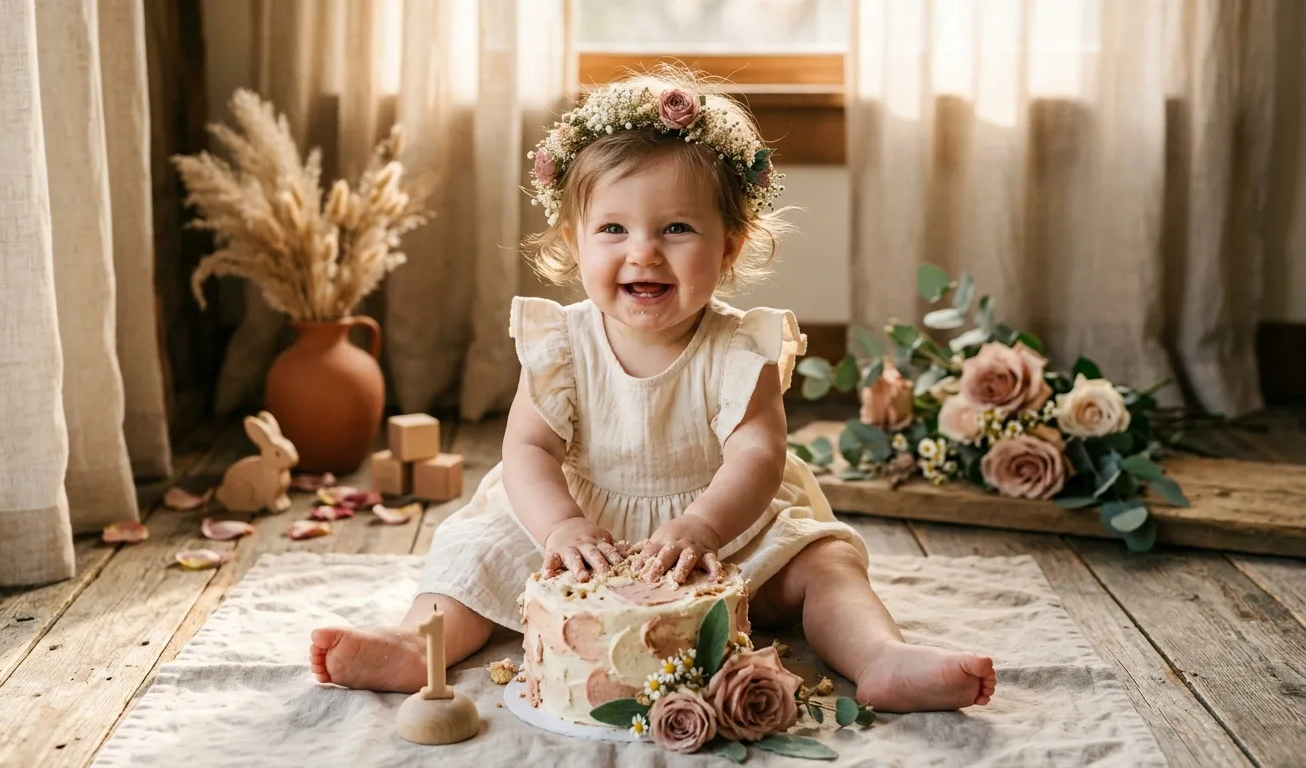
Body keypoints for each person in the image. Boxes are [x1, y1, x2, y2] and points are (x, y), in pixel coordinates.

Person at [309, 66, 996, 712]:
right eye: (613, 229)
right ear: (573, 242)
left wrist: (703, 525)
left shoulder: (738, 347)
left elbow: (758, 451)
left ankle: (879, 656)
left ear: (730, 244)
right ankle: (416, 644)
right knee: (475, 551)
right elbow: (526, 449)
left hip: (720, 533)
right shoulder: (560, 344)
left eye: (676, 228)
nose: (643, 251)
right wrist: (560, 526)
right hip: (582, 530)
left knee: (827, 560)